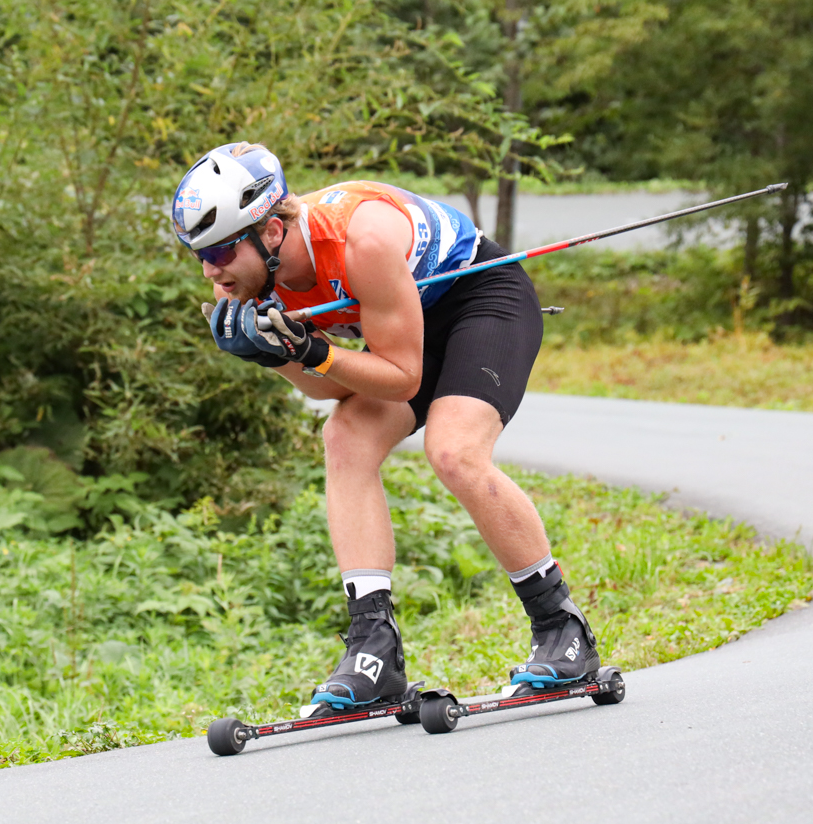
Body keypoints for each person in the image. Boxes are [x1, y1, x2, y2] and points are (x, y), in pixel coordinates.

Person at [173, 141, 600, 709]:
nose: (210, 270)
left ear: (271, 231)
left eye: (222, 252)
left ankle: (560, 626)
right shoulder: (254, 276)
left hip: (479, 302)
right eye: (198, 253)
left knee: (453, 449)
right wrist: (275, 354)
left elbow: (400, 378)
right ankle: (375, 646)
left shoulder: (362, 241)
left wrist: (307, 347)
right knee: (345, 437)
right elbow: (337, 387)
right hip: (402, 328)